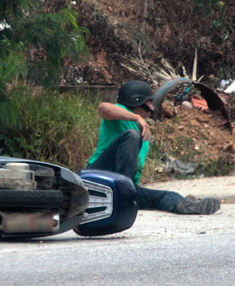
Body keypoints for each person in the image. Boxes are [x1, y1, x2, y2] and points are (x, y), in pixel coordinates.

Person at [86, 80, 220, 214]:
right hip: (97, 177)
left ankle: (186, 204)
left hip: (120, 190)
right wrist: (136, 118)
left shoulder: (143, 131)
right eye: (148, 101)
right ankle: (124, 190)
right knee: (132, 136)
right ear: (136, 101)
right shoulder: (122, 114)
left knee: (163, 196)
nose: (152, 105)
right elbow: (104, 108)